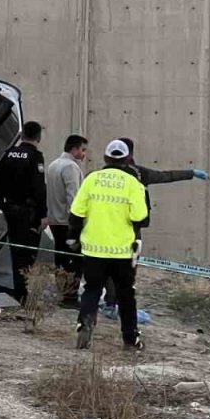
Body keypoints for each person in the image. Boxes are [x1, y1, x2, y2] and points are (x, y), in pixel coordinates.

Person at [100, 136, 210, 320]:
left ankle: (110, 304)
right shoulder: (139, 174)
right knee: (126, 268)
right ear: (131, 154)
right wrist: (192, 173)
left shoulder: (101, 175)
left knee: (108, 266)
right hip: (130, 228)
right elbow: (166, 176)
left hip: (105, 225)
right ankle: (117, 306)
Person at [68, 139, 149, 351]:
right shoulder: (133, 184)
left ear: (105, 158)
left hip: (93, 248)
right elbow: (140, 216)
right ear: (127, 159)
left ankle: (84, 323)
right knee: (126, 295)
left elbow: (77, 211)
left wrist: (73, 236)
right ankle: (130, 339)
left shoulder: (92, 179)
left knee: (92, 289)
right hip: (121, 251)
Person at [0, 121, 48, 303]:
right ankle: (22, 293)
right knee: (27, 253)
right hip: (28, 212)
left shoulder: (8, 154)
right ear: (38, 137)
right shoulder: (35, 157)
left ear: (22, 134)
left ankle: (17, 289)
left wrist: (2, 202)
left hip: (9, 209)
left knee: (14, 250)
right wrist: (43, 214)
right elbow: (39, 188)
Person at [46, 134, 87, 307]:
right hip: (67, 222)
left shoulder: (53, 164)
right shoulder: (71, 167)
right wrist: (78, 223)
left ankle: (61, 292)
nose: (84, 154)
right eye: (82, 149)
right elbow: (74, 197)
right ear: (74, 148)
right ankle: (69, 296)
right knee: (74, 260)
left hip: (55, 219)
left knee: (60, 257)